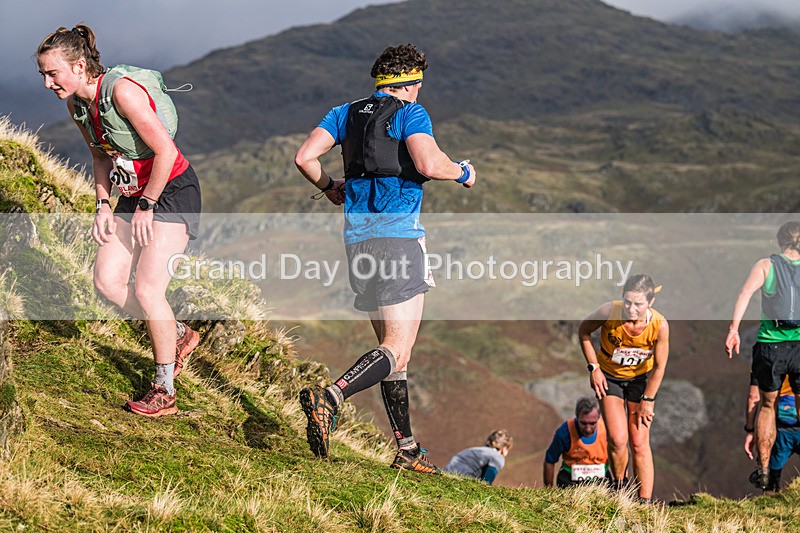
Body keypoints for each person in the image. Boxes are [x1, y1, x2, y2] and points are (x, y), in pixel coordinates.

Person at [294, 43, 476, 472]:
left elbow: (304, 157)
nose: (420, 91)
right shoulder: (411, 112)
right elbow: (428, 164)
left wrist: (329, 187)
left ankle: (408, 450)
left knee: (394, 353)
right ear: (409, 84)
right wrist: (464, 172)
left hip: (358, 242)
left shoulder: (343, 113)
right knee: (397, 346)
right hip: (398, 240)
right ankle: (331, 396)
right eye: (419, 85)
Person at [37, 25, 201, 417]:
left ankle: (165, 389)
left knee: (147, 289)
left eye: (53, 74)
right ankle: (177, 333)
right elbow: (100, 157)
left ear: (79, 66)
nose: (47, 83)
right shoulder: (77, 106)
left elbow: (165, 152)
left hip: (171, 190)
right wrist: (103, 205)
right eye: (42, 75)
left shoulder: (122, 92)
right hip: (132, 195)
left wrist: (147, 204)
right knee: (108, 283)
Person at [578, 274, 669, 503]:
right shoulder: (609, 311)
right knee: (618, 439)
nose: (631, 309)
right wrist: (594, 368)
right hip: (610, 378)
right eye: (627, 302)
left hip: (640, 381)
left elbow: (659, 367)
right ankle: (619, 491)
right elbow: (584, 331)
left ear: (651, 302)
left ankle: (644, 502)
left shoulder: (659, 325)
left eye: (638, 304)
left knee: (639, 442)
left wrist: (649, 400)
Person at [726, 221, 800, 489]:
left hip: (771, 345)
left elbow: (745, 293)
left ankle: (764, 470)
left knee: (768, 406)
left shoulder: (766, 266)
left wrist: (734, 329)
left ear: (779, 242)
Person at [744, 375, 799, 492]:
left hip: (780, 429)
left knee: (772, 475)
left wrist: (750, 430)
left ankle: (770, 490)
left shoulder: (764, 364)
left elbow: (753, 397)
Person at [543, 397, 609, 488]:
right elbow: (550, 460)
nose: (588, 429)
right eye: (583, 423)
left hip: (602, 480)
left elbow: (621, 455)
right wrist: (548, 490)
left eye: (592, 423)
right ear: (577, 417)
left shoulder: (608, 429)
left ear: (599, 418)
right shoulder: (565, 431)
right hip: (570, 481)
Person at [444, 430, 513, 485]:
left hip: (446, 474)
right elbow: (489, 476)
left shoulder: (474, 449)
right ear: (504, 448)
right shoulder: (497, 457)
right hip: (462, 479)